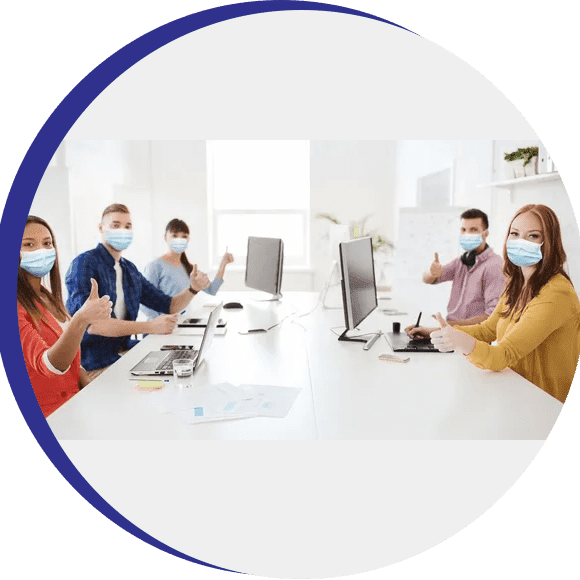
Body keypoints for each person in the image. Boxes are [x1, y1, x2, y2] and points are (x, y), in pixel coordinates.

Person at [428, 204, 580, 404]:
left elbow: (504, 354)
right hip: (516, 390)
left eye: (533, 236)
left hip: (546, 405)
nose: (520, 242)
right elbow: (488, 329)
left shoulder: (556, 292)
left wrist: (461, 341)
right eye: (514, 234)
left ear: (549, 242)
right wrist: (447, 330)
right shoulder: (516, 284)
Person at [66, 204, 211, 378]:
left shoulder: (130, 270)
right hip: (93, 365)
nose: (123, 231)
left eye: (128, 226)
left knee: (186, 366)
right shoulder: (84, 264)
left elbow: (169, 305)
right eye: (115, 225)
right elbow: (94, 325)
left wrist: (193, 289)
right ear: (101, 228)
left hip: (123, 353)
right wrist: (151, 326)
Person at [18, 216, 112, 417]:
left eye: (47, 243)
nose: (41, 250)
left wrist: (88, 386)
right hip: (47, 416)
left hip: (73, 404)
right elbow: (49, 365)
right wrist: (81, 319)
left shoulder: (46, 295)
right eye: (29, 244)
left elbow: (71, 359)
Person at [405, 208, 505, 336]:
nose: (467, 234)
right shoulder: (463, 261)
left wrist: (440, 328)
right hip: (451, 333)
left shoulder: (494, 266)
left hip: (472, 339)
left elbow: (491, 318)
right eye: (463, 230)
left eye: (473, 230)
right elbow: (427, 279)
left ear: (486, 234)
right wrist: (431, 273)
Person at [141, 218, 234, 319]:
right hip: (159, 331)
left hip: (181, 326)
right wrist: (159, 323)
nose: (179, 240)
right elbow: (144, 303)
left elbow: (212, 290)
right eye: (175, 236)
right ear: (165, 238)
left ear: (188, 240)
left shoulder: (189, 269)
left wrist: (223, 264)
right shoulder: (155, 266)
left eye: (184, 236)